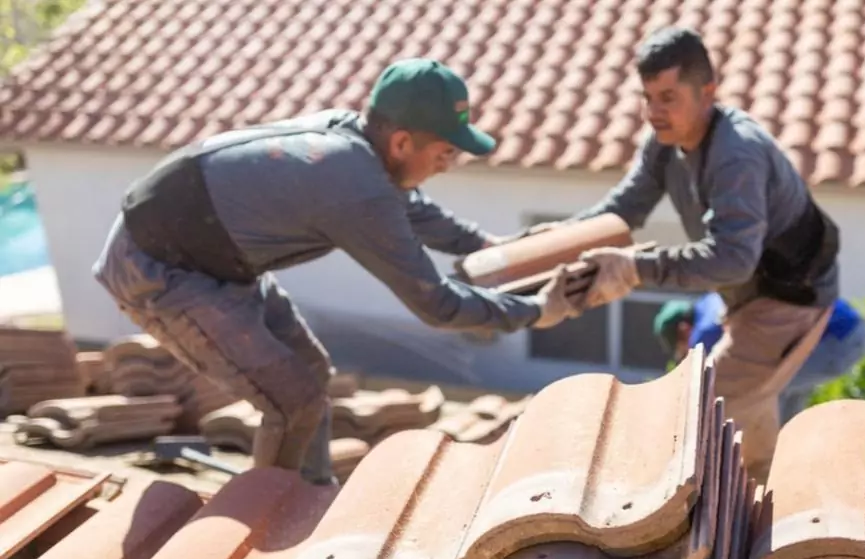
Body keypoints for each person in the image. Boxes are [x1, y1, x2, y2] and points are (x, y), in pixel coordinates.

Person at [92, 58, 578, 486]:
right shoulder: (354, 187)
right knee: (291, 400)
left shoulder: (360, 144)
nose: (449, 165)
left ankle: (310, 494)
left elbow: (412, 208)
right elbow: (438, 304)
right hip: (160, 268)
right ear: (404, 141)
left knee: (312, 372)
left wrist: (491, 247)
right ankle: (266, 529)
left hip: (216, 257)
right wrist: (536, 311)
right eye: (446, 152)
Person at [530, 27, 841, 482]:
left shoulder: (737, 155)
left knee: (705, 412)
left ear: (707, 92)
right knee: (744, 412)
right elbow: (624, 209)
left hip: (789, 300)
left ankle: (716, 520)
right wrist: (565, 236)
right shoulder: (664, 143)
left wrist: (635, 268)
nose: (655, 111)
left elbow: (732, 259)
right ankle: (761, 496)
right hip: (747, 295)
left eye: (669, 97)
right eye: (648, 97)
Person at [654, 294, 865, 421]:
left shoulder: (704, 332)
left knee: (767, 390)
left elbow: (710, 385)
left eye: (683, 348)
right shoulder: (711, 300)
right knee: (781, 397)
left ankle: (776, 464)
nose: (686, 354)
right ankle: (787, 457)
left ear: (684, 329)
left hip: (836, 339)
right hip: (845, 328)